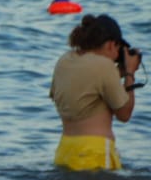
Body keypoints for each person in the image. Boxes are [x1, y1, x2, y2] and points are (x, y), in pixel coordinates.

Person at [48, 14, 141, 170]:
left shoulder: (65, 60)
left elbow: (87, 87)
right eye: (118, 49)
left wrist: (118, 74)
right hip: (94, 152)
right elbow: (124, 114)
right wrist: (130, 73)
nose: (117, 56)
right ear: (112, 45)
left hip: (65, 150)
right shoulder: (104, 66)